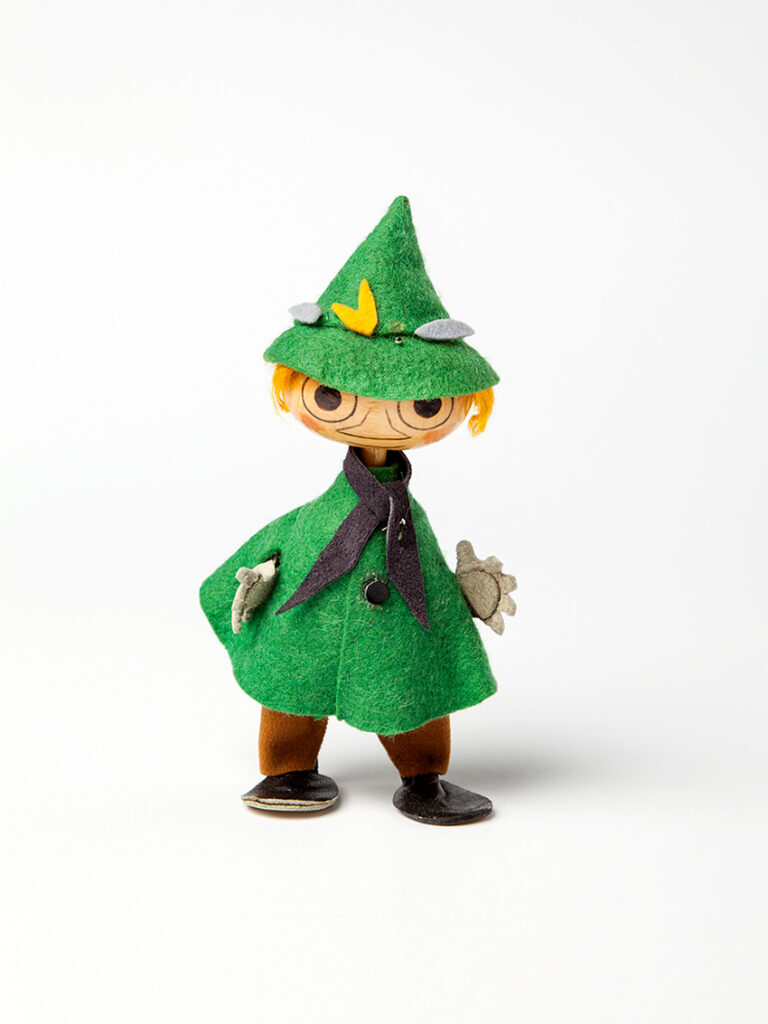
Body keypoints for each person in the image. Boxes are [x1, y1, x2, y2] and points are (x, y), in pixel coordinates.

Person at [200, 197, 516, 825]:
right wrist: (260, 573)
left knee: (413, 679)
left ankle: (424, 778)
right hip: (306, 612)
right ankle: (288, 769)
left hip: (396, 623)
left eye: (422, 405)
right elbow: (284, 538)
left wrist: (462, 595)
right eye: (332, 394)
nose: (381, 418)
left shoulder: (411, 521)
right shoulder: (320, 515)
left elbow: (424, 573)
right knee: (292, 679)